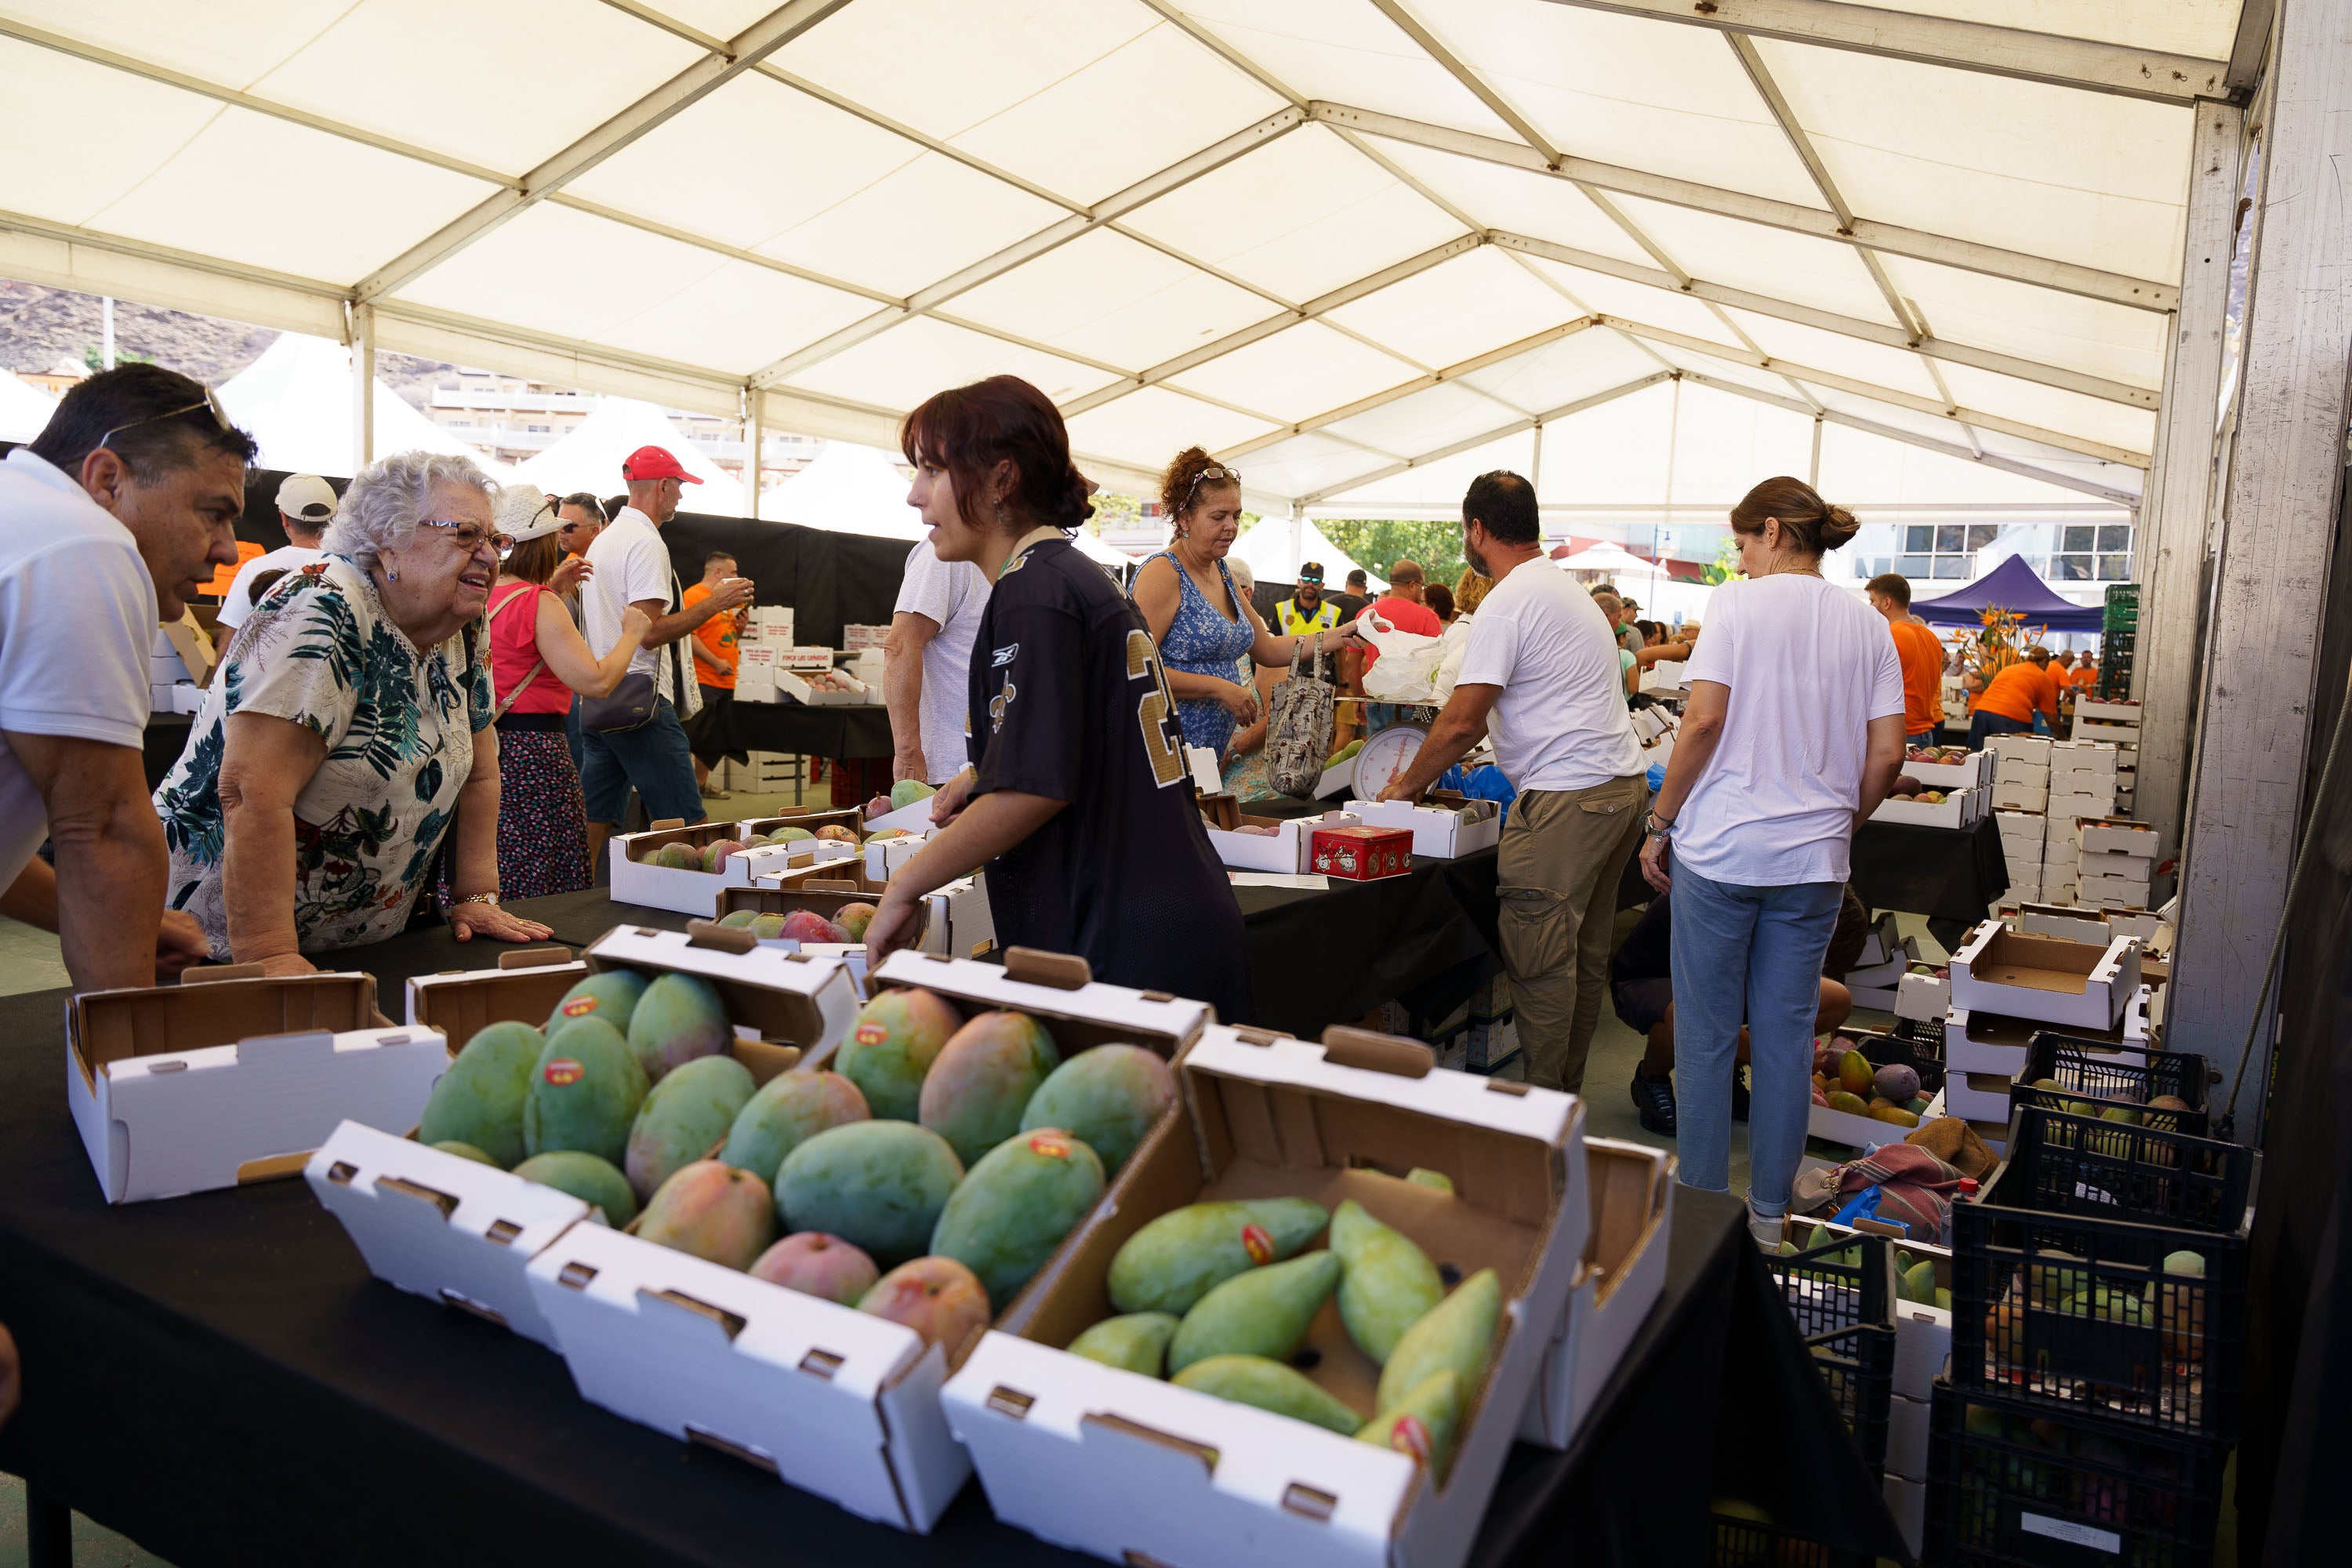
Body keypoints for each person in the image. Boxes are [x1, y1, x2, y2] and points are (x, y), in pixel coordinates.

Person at [864, 376, 1260, 1021]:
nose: (915, 495)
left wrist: (907, 884)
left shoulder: (1034, 593)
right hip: (1148, 922)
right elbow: (1082, 738)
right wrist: (982, 773)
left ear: (999, 480)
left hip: (1127, 943)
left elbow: (1035, 790)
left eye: (933, 470)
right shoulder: (1058, 579)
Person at [152, 452, 554, 970]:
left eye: (494, 540)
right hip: (214, 948)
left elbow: (480, 771)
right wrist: (269, 955)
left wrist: (476, 896)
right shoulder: (320, 605)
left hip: (364, 945)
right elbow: (252, 792)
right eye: (465, 535)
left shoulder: (464, 624)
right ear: (388, 543)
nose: (488, 556)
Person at [1638, 476, 1905, 1238]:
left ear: (1776, 531)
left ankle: (1697, 1211)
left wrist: (1661, 822)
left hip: (1721, 849)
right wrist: (1841, 820)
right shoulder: (1866, 625)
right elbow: (1888, 755)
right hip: (1813, 864)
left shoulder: (1736, 606)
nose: (1742, 558)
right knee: (1788, 1040)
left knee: (1708, 1035)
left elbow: (1704, 719)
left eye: (1744, 542)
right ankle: (1767, 1216)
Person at [1375, 470, 1647, 1094]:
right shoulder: (1562, 588)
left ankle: (1539, 1122)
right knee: (1578, 962)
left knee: (1543, 965)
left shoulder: (1507, 600)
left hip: (1570, 800)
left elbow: (1462, 721)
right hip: (1617, 790)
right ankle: (1562, 1104)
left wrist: (1403, 789)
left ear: (1477, 529)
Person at [2, 364, 245, 989]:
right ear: (107, 479)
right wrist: (133, 1065)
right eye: (213, 513)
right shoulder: (84, 542)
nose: (225, 550)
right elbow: (101, 826)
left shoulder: (22, 516)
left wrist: (135, 919)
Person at [466, 486, 649, 899]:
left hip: (482, 744)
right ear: (544, 543)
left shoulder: (481, 596)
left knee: (491, 857)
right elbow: (596, 682)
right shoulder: (539, 602)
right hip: (534, 754)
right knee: (538, 870)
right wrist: (632, 635)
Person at [578, 446, 751, 862]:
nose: (681, 496)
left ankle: (566, 892)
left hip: (601, 698)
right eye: (679, 487)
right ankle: (699, 907)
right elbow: (649, 633)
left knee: (596, 815)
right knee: (688, 822)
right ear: (662, 486)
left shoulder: (605, 541)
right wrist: (715, 603)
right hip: (640, 704)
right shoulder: (645, 542)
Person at [1130, 448, 1354, 759]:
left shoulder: (1222, 572)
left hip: (1204, 756)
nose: (1232, 526)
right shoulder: (1164, 573)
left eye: (1236, 515)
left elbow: (1270, 650)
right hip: (1160, 751)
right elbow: (1135, 669)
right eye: (1218, 517)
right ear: (1185, 519)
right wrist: (1218, 687)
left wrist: (1344, 633)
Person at [1617, 885, 1866, 1134]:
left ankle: (1725, 1074)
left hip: (1724, 983)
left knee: (1836, 999)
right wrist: (1785, 1059)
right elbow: (1708, 1017)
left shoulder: (1782, 916)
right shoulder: (1734, 909)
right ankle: (1651, 1078)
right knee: (1684, 1015)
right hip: (1651, 979)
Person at [887, 535, 990, 786]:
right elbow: (901, 645)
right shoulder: (947, 554)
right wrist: (908, 754)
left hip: (1018, 767)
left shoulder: (1041, 558)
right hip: (956, 770)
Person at [217, 473, 335, 637]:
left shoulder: (255, 570)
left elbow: (230, 642)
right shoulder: (356, 571)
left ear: (284, 518)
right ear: (333, 519)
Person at [683, 550, 748, 800]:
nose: (736, 577)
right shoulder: (694, 595)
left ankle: (700, 784)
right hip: (703, 678)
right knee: (693, 734)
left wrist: (740, 631)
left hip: (725, 679)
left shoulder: (728, 600)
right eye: (732, 572)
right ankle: (688, 787)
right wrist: (715, 661)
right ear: (718, 572)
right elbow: (689, 634)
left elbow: (725, 636)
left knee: (713, 738)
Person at [1866, 573, 1947, 746]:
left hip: (1898, 733)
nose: (1870, 606)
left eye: (1873, 601)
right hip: (1925, 733)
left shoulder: (1891, 635)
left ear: (1887, 603)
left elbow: (1870, 682)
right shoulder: (1931, 637)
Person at [1967, 647, 2060, 750]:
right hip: (2010, 718)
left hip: (1981, 712)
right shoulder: (2043, 677)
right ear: (2045, 661)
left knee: (1976, 757)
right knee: (2009, 758)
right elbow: (2051, 718)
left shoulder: (2009, 669)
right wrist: (2063, 738)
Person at [1276, 561, 1340, 637]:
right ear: (1299, 582)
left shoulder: (1334, 613)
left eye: (1316, 581)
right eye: (1306, 579)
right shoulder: (1281, 609)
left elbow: (1339, 646)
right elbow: (1272, 643)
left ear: (1322, 586)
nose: (1310, 584)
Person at [556, 492, 606, 558]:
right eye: (558, 523)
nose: (561, 530)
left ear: (594, 532)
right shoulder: (572, 558)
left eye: (568, 526)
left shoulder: (604, 564)